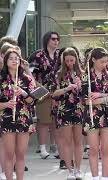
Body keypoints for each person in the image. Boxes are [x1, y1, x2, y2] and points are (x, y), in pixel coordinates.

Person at [81, 47, 108, 180]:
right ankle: (95, 177)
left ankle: (105, 177)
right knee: (94, 149)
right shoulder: (86, 76)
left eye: (105, 62)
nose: (104, 64)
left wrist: (100, 95)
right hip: (92, 116)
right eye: (101, 62)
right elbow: (85, 100)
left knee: (106, 149)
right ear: (93, 60)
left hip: (107, 115)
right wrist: (105, 98)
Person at [0, 50, 36, 180]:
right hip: (7, 119)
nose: (15, 61)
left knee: (21, 154)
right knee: (9, 154)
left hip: (24, 119)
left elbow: (32, 101)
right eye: (11, 58)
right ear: (6, 61)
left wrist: (23, 92)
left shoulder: (27, 79)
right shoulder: (1, 78)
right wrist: (5, 105)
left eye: (17, 58)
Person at [49, 48, 84, 179]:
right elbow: (53, 93)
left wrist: (80, 86)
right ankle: (70, 170)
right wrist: (66, 88)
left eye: (72, 60)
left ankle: (78, 169)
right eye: (67, 60)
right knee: (67, 142)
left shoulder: (82, 74)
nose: (69, 62)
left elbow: (87, 93)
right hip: (64, 110)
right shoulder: (59, 74)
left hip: (78, 109)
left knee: (78, 141)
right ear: (63, 60)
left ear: (76, 59)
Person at [28, 31, 60, 159]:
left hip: (58, 91)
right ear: (47, 40)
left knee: (55, 121)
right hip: (41, 91)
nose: (56, 41)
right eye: (53, 39)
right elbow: (30, 75)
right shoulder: (37, 55)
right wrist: (41, 89)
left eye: (58, 39)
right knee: (43, 121)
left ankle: (55, 146)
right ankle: (42, 148)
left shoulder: (60, 54)